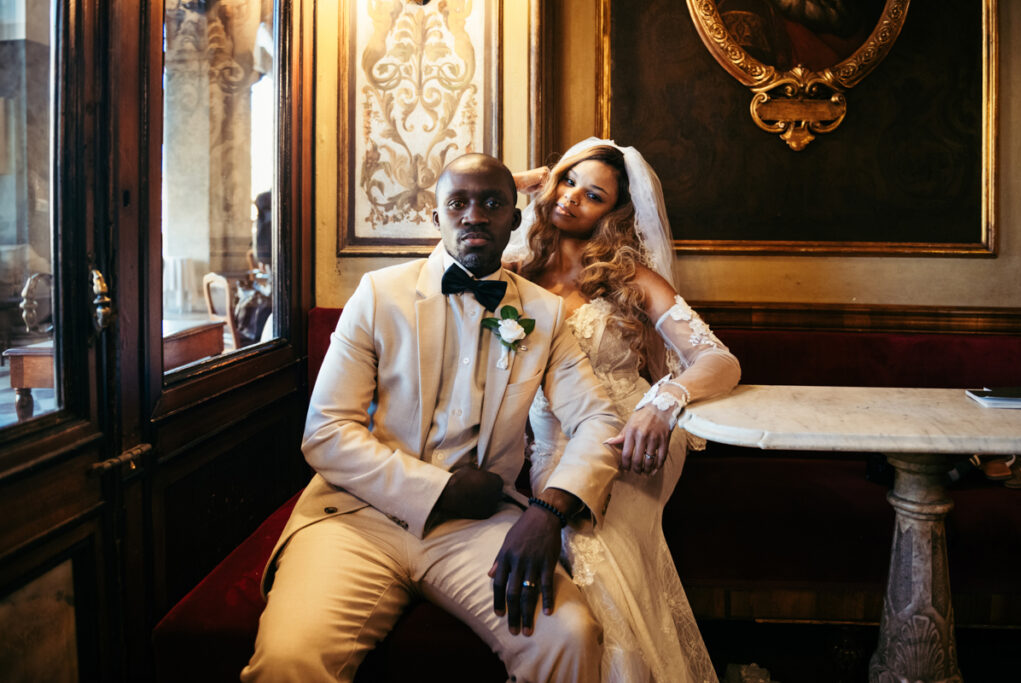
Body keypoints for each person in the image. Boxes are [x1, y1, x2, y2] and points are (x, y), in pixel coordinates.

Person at [242, 153, 624, 682]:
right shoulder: (378, 295)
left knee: (569, 637)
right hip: (358, 518)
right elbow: (326, 432)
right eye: (458, 203)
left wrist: (548, 511)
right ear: (437, 217)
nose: (474, 215)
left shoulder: (543, 313)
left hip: (481, 528)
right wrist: (438, 490)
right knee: (289, 659)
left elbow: (600, 421)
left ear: (514, 219)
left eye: (492, 203)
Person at [505, 138, 742, 683]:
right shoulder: (512, 272)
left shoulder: (629, 277)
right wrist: (511, 186)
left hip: (636, 440)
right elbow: (433, 268)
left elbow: (718, 361)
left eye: (592, 195)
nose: (570, 199)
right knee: (571, 548)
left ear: (613, 213)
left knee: (587, 546)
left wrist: (662, 402)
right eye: (566, 182)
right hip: (553, 442)